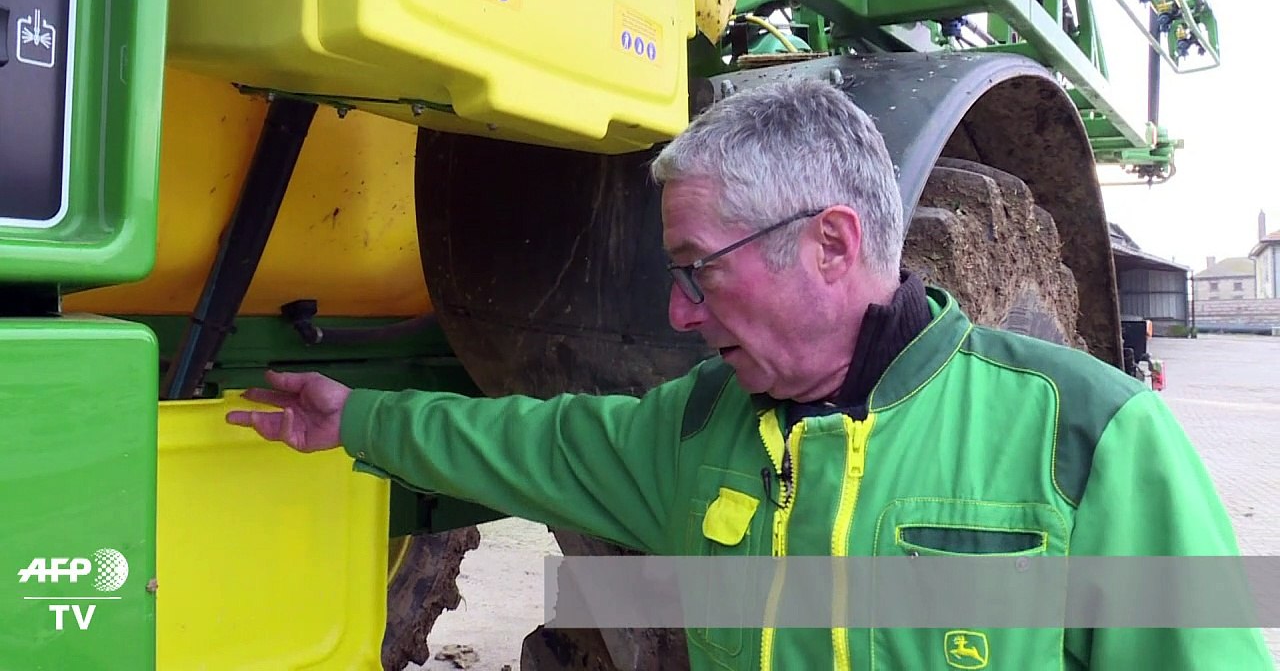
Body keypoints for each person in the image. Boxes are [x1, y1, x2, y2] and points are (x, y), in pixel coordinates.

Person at [227, 78, 1273, 670]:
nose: (679, 314)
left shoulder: (1091, 442)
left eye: (697, 273)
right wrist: (355, 418)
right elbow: (523, 442)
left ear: (827, 242)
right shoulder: (691, 434)